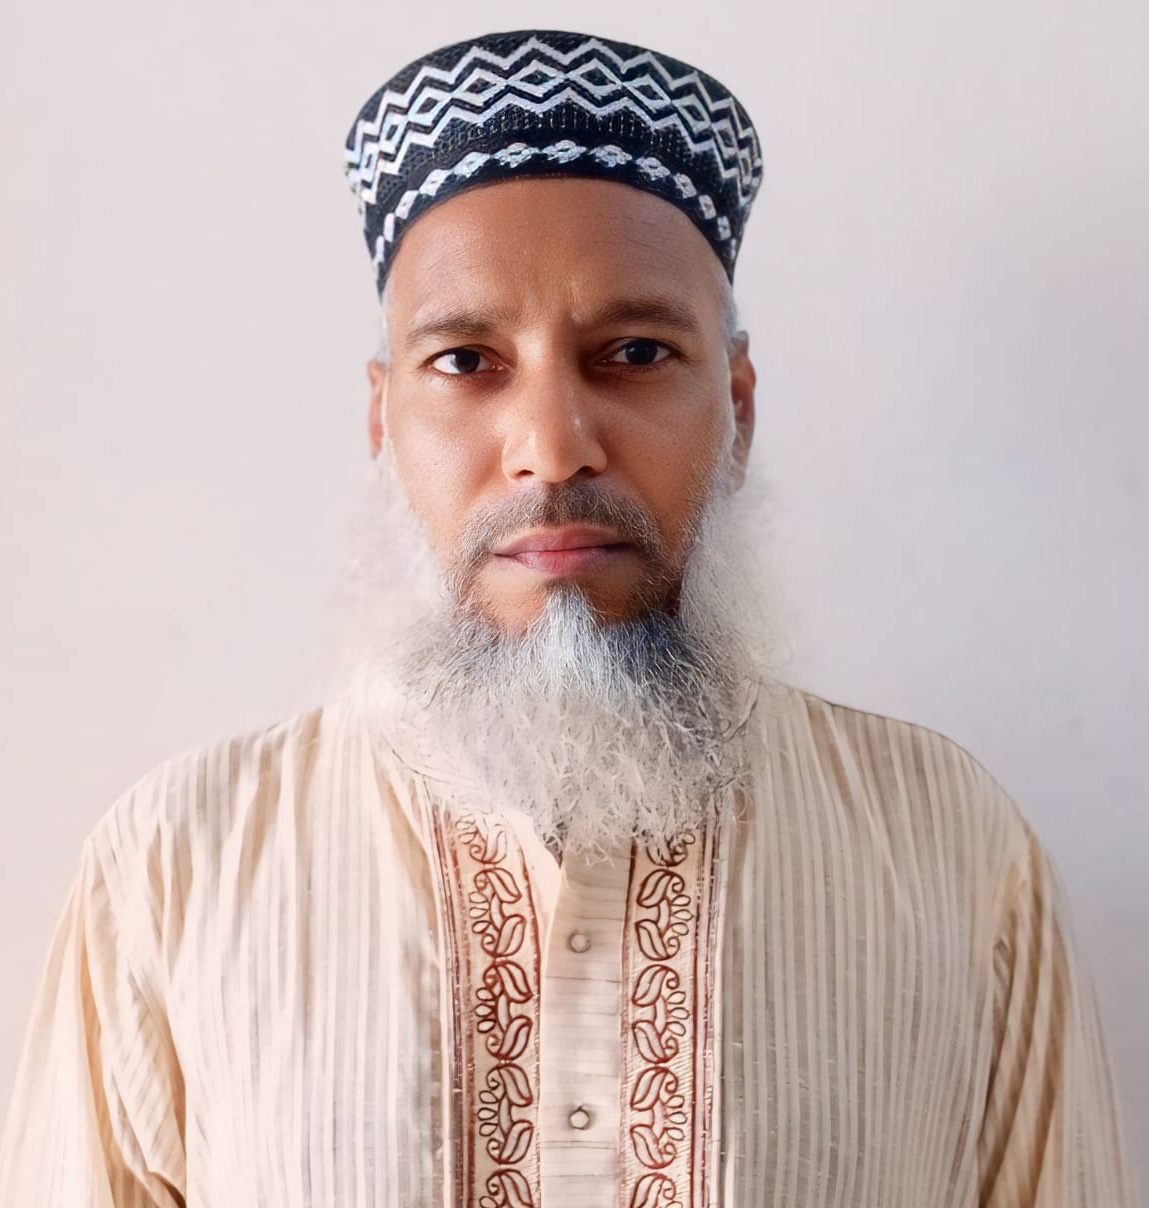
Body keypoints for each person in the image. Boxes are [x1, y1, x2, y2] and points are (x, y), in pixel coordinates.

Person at [0, 28, 1134, 1208]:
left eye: (634, 352)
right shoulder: (174, 872)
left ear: (737, 407)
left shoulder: (951, 852)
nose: (551, 447)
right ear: (383, 421)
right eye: (467, 360)